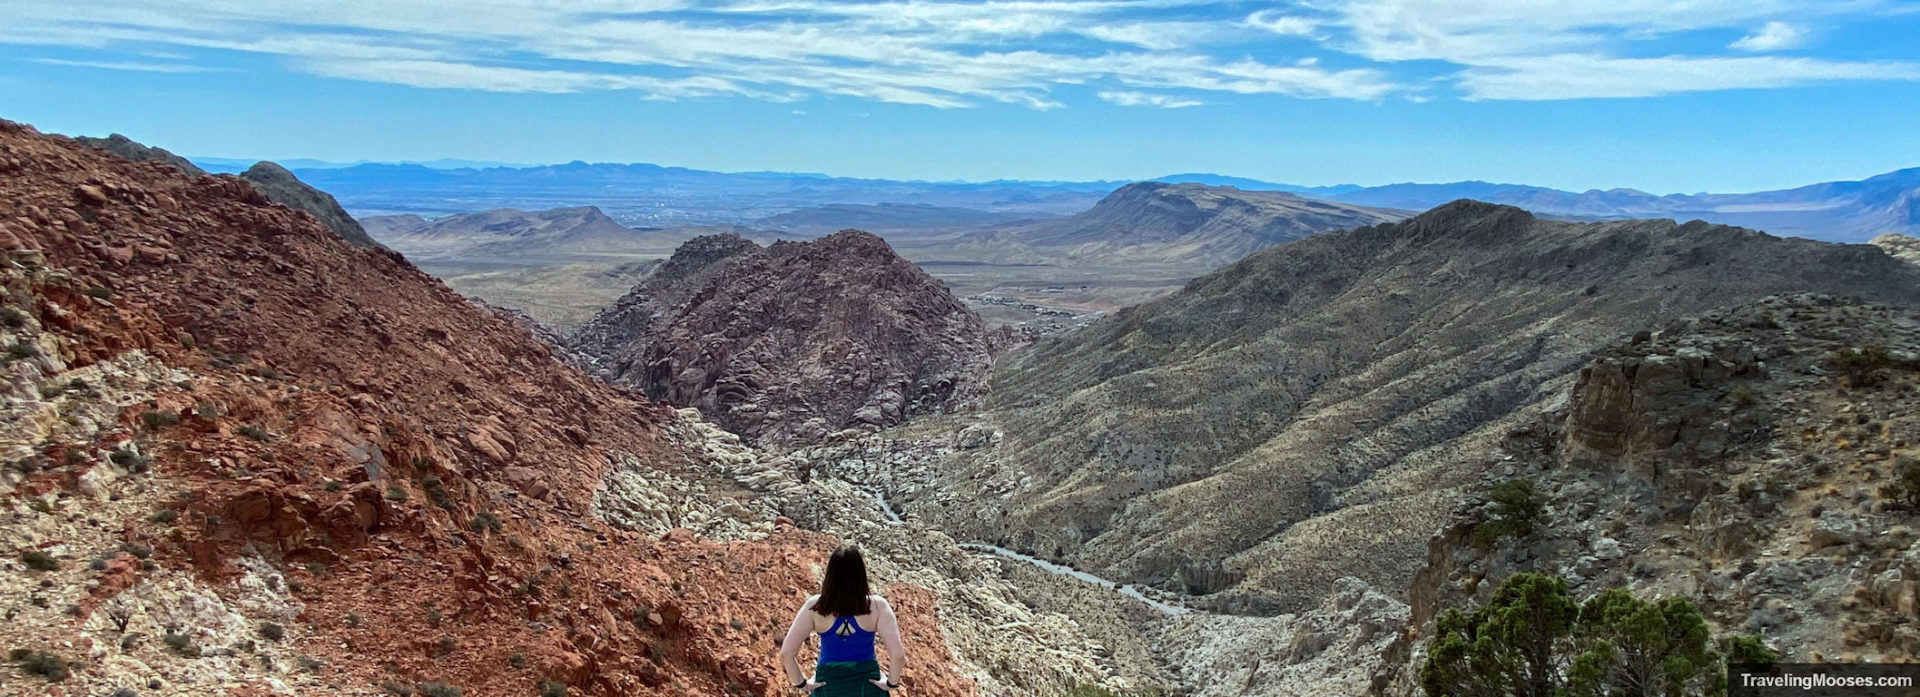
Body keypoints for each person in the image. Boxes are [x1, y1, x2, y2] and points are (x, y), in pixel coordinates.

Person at [778, 545, 906, 694]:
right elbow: (898, 655)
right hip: (867, 686)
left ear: (830, 575)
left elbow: (787, 653)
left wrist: (802, 684)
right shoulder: (878, 606)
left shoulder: (815, 606)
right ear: (861, 575)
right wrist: (891, 683)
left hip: (828, 685)